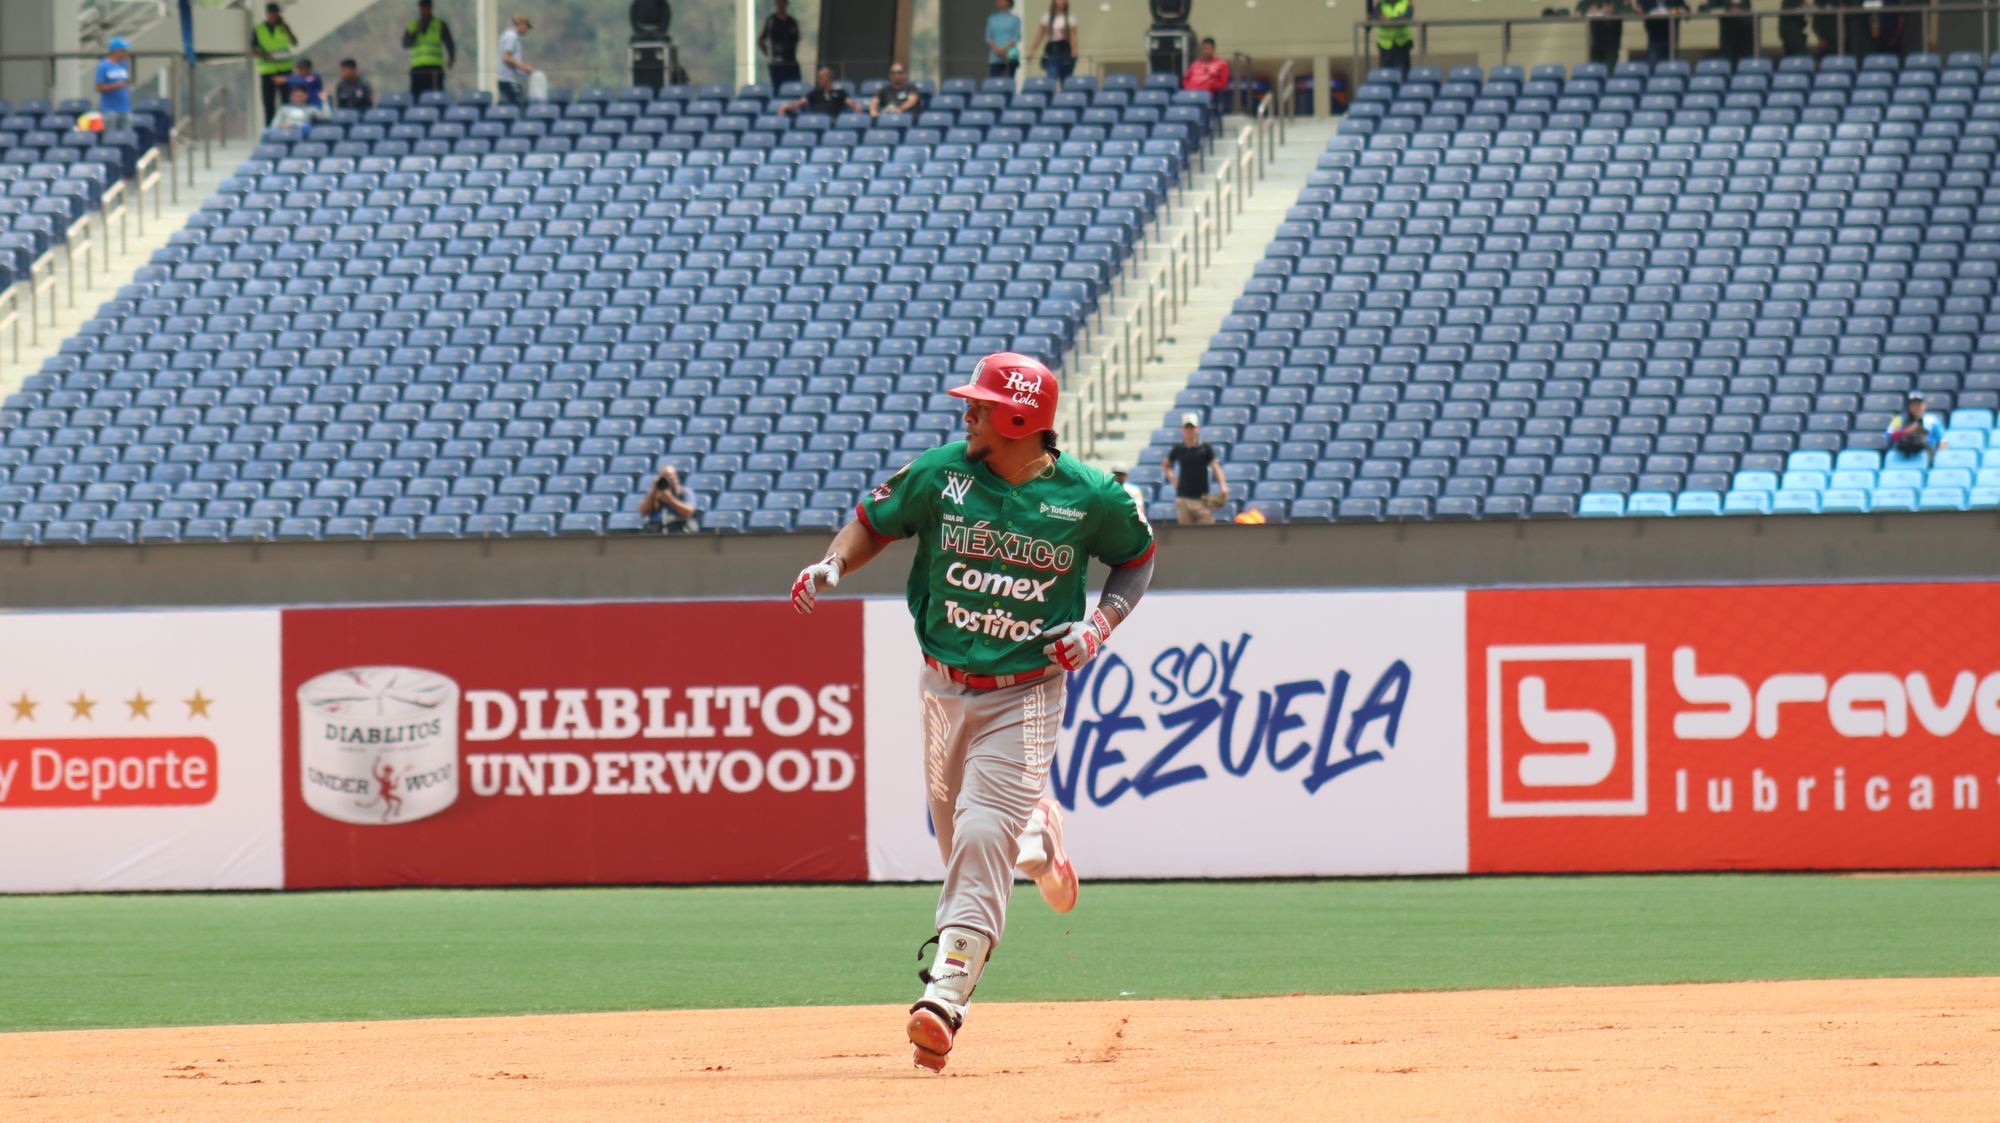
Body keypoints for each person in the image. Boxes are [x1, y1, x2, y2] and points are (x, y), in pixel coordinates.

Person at [790, 352, 1154, 1074]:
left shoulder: (1091, 496)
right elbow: (872, 521)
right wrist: (833, 563)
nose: (969, 413)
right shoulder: (943, 472)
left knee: (984, 832)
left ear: (1020, 419)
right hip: (943, 686)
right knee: (961, 843)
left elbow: (1137, 558)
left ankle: (945, 997)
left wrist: (1101, 624)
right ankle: (1041, 832)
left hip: (1027, 689)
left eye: (982, 406)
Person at [1162, 414, 1228, 525]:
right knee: (1186, 536)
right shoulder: (1178, 449)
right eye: (1186, 428)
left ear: (1197, 429)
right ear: (1182, 429)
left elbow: (1215, 466)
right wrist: (1173, 480)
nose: (1189, 430)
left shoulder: (1205, 448)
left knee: (1207, 531)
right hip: (1183, 498)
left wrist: (1223, 486)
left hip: (1202, 498)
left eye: (1191, 427)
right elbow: (1166, 465)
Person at [252, 4, 299, 125]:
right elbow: (253, 50)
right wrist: (266, 56)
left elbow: (294, 42)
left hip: (284, 70)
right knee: (269, 103)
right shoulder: (259, 29)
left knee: (286, 101)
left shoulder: (283, 27)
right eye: (272, 13)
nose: (274, 16)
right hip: (268, 71)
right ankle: (270, 127)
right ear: (267, 14)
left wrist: (285, 28)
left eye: (276, 13)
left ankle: (287, 125)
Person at [404, 0, 457, 96]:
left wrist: (451, 58)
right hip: (417, 69)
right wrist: (415, 32)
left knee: (435, 97)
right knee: (416, 98)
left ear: (430, 8)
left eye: (425, 7)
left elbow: (449, 43)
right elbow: (405, 44)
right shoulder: (413, 25)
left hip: (434, 69)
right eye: (421, 7)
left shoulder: (440, 25)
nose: (423, 10)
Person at [1885, 392, 1944, 467]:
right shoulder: (1898, 419)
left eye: (1919, 404)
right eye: (1913, 405)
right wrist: (1907, 431)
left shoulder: (1932, 420)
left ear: (1924, 405)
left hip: (1925, 455)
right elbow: (1888, 436)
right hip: (1902, 454)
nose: (1916, 407)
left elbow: (1942, 441)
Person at [638, 464, 699, 532]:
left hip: (678, 529)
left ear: (676, 478)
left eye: (670, 478)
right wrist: (654, 490)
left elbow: (688, 512)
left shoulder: (684, 492)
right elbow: (643, 511)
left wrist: (670, 500)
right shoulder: (655, 494)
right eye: (664, 477)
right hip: (657, 530)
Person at [1030, 0, 1078, 83]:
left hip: (1065, 49)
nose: (1061, 2)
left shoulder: (1070, 18)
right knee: (1052, 76)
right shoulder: (1047, 17)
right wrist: (1033, 50)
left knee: (1066, 79)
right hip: (1052, 49)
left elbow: (1073, 37)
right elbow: (1040, 35)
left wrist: (1074, 52)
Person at [759, 0, 803, 88]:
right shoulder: (771, 21)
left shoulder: (792, 22)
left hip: (791, 61)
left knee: (795, 86)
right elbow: (761, 40)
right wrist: (768, 54)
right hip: (777, 63)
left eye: (783, 2)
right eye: (779, 3)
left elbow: (797, 38)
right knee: (778, 87)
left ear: (787, 4)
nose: (781, 5)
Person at [778, 67, 854, 117]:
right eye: (818, 78)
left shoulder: (840, 92)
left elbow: (853, 105)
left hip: (831, 123)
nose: (818, 80)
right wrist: (785, 107)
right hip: (813, 121)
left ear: (829, 78)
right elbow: (799, 103)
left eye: (821, 78)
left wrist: (856, 114)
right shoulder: (814, 93)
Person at [1182, 38, 1231, 113]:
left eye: (1208, 49)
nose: (1206, 51)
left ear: (1213, 49)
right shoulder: (1195, 64)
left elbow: (1223, 83)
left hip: (1208, 94)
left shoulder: (1222, 64)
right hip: (1191, 92)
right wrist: (1189, 87)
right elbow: (1186, 79)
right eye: (1204, 49)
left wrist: (1209, 86)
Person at [94, 39, 133, 132]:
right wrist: (114, 86)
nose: (126, 53)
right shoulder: (103, 66)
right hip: (110, 109)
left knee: (126, 136)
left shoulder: (123, 65)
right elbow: (98, 87)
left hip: (125, 108)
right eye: (124, 50)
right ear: (116, 51)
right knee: (111, 136)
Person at [1577, 0, 1630, 66]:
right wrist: (1595, 11)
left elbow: (1629, 10)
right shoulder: (1590, 2)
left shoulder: (1618, 2)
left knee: (1610, 67)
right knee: (1595, 67)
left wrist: (1612, 11)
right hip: (1596, 41)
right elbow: (1579, 11)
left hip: (1613, 41)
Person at [498, 14, 534, 109]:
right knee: (518, 107)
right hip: (510, 80)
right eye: (526, 26)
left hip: (507, 80)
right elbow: (506, 57)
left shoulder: (508, 35)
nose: (527, 30)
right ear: (520, 24)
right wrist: (523, 68)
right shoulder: (512, 37)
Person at [1370, 0, 1414, 73]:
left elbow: (1406, 18)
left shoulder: (1406, 3)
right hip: (1385, 47)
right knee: (1385, 76)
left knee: (1402, 74)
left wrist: (1388, 20)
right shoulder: (1381, 4)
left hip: (1402, 46)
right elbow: (1374, 16)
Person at [985, 0, 1023, 80]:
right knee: (995, 82)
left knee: (1009, 81)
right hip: (995, 58)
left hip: (1009, 56)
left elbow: (1016, 37)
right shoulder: (992, 19)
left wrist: (1004, 49)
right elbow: (988, 37)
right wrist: (998, 50)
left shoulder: (1015, 19)